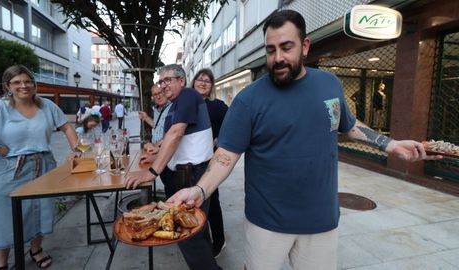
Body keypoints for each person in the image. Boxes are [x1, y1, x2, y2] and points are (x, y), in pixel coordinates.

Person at [164, 10, 442, 270]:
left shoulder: (329, 84)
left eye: (286, 47)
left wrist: (389, 144)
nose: (278, 58)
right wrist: (200, 191)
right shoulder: (248, 99)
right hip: (267, 224)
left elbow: (347, 124)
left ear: (305, 46)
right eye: (271, 50)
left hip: (321, 221)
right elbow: (226, 155)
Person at [0, 65, 78, 269]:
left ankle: (36, 249)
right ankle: (1, 262)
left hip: (43, 165)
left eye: (27, 81)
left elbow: (66, 126)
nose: (23, 85)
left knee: (40, 210)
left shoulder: (47, 106)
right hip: (9, 168)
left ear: (34, 84)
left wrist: (77, 150)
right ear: (7, 86)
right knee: (4, 214)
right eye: (16, 82)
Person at [125, 64, 221, 270]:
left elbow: (177, 133)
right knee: (196, 228)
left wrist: (151, 172)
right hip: (186, 174)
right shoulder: (175, 105)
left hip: (194, 174)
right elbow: (171, 136)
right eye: (161, 81)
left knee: (188, 235)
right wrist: (155, 150)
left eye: (168, 80)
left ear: (182, 81)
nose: (163, 85)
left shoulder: (187, 95)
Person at [192, 68, 227, 258]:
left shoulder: (217, 105)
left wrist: (219, 141)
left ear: (211, 86)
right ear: (194, 81)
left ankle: (219, 241)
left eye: (207, 81)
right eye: (200, 79)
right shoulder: (187, 104)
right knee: (194, 204)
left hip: (209, 163)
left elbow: (232, 124)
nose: (203, 83)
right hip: (189, 164)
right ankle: (199, 240)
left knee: (212, 203)